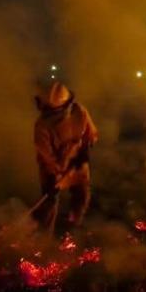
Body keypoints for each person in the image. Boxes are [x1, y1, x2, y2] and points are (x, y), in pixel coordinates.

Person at [31, 81, 99, 236]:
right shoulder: (43, 125)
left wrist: (81, 157)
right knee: (50, 199)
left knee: (80, 195)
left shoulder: (79, 111)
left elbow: (91, 135)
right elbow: (47, 155)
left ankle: (73, 225)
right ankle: (45, 235)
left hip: (77, 163)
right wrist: (59, 173)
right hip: (53, 169)